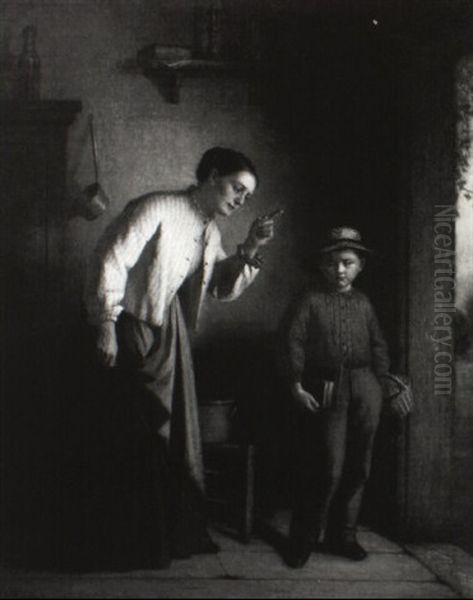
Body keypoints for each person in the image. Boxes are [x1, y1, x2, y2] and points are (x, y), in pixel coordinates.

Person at [84, 147, 278, 568]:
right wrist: (105, 323)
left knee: (170, 436)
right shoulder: (157, 206)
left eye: (247, 195)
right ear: (212, 176)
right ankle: (129, 544)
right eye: (237, 188)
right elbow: (110, 257)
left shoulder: (209, 231)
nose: (241, 200)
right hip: (131, 326)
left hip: (167, 333)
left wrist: (250, 246)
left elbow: (220, 287)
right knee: (136, 433)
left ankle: (163, 537)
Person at [283, 226, 409, 568]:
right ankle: (304, 538)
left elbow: (379, 345)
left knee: (359, 466)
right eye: (332, 263)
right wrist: (296, 385)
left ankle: (344, 536)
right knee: (328, 466)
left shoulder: (364, 303)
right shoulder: (310, 300)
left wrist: (381, 385)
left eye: (347, 262)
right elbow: (293, 342)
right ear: (321, 266)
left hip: (366, 385)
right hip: (327, 386)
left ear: (360, 266)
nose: (339, 270)